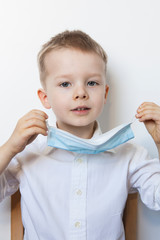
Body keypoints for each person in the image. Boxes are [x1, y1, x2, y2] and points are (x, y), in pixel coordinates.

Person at [0, 30, 160, 240]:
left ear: (104, 94)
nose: (81, 93)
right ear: (45, 97)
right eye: (65, 84)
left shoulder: (130, 156)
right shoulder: (27, 153)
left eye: (92, 83)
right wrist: (10, 147)